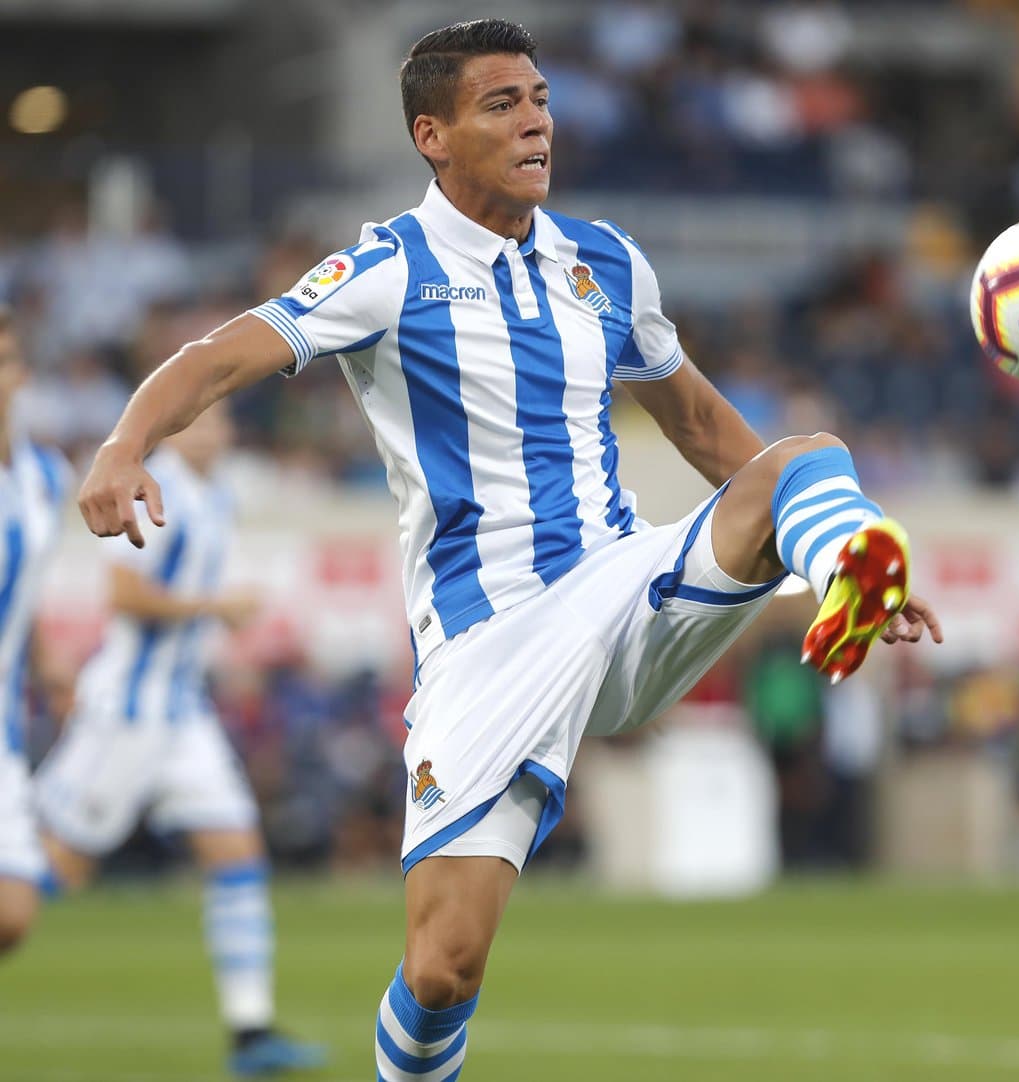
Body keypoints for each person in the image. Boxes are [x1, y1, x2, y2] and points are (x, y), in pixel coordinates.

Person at [77, 19, 943, 1080]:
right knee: (443, 964)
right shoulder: (388, 268)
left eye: (539, 98)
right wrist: (125, 443)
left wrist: (830, 553)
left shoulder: (607, 262)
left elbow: (710, 429)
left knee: (809, 456)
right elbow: (221, 357)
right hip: (491, 641)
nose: (536, 119)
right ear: (431, 135)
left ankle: (851, 557)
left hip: (624, 588)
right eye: (502, 104)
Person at [36, 400, 326, 1077]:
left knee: (236, 851)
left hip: (182, 714)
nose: (219, 432)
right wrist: (215, 608)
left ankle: (250, 1033)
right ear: (173, 429)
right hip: (128, 714)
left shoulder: (214, 497)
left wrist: (217, 634)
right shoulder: (152, 487)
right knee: (50, 874)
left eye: (225, 422)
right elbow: (122, 595)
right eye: (204, 421)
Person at [0, 305, 71, 955]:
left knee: (13, 916)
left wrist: (47, 658)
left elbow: (26, 586)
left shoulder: (44, 477)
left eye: (5, 359)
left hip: (5, 727)